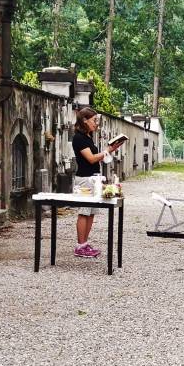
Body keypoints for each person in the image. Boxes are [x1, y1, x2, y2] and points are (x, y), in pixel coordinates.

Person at [71, 106, 121, 258]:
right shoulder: (79, 138)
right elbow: (91, 158)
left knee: (91, 212)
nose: (96, 123)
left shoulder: (87, 137)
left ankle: (84, 243)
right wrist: (108, 151)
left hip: (93, 178)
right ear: (84, 120)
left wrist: (109, 149)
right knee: (84, 212)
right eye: (94, 120)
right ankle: (80, 246)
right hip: (85, 179)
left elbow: (97, 156)